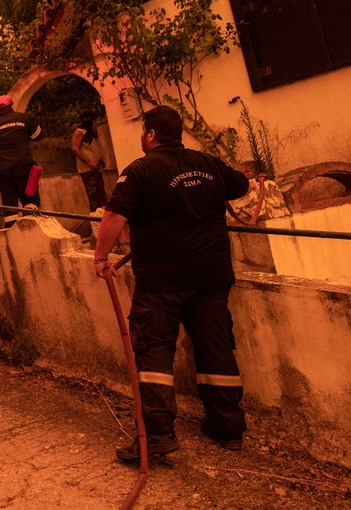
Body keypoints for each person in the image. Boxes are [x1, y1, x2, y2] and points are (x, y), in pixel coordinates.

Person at [93, 106, 251, 460]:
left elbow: (115, 215)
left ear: (150, 135)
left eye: (143, 132)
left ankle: (159, 437)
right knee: (215, 349)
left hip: (161, 284)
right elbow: (240, 185)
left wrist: (101, 258)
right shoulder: (208, 164)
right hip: (211, 278)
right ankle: (228, 430)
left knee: (153, 355)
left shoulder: (140, 171)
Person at [0, 94, 42, 208]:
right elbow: (37, 136)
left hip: (3, 171)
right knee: (31, 200)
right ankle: (31, 221)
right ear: (12, 106)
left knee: (9, 207)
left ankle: (10, 224)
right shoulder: (23, 118)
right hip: (24, 167)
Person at [71, 111, 108, 211]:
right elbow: (75, 149)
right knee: (94, 197)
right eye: (86, 118)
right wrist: (89, 161)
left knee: (101, 196)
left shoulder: (92, 133)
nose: (88, 120)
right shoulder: (79, 133)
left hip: (97, 168)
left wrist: (100, 160)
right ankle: (96, 220)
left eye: (90, 118)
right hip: (88, 170)